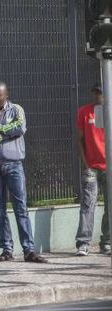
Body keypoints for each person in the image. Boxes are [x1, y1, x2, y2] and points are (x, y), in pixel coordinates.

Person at [0, 81, 47, 263]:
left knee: (20, 207)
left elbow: (20, 128)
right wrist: (7, 133)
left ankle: (29, 250)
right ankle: (7, 249)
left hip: (15, 166)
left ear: (6, 95)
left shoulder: (17, 110)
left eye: (0, 94)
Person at [75, 84, 111, 256]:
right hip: (92, 167)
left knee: (110, 206)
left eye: (101, 93)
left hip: (109, 166)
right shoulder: (84, 111)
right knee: (88, 203)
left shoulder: (110, 111)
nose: (98, 96)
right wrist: (86, 163)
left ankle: (107, 241)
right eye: (96, 92)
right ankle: (83, 242)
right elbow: (80, 139)